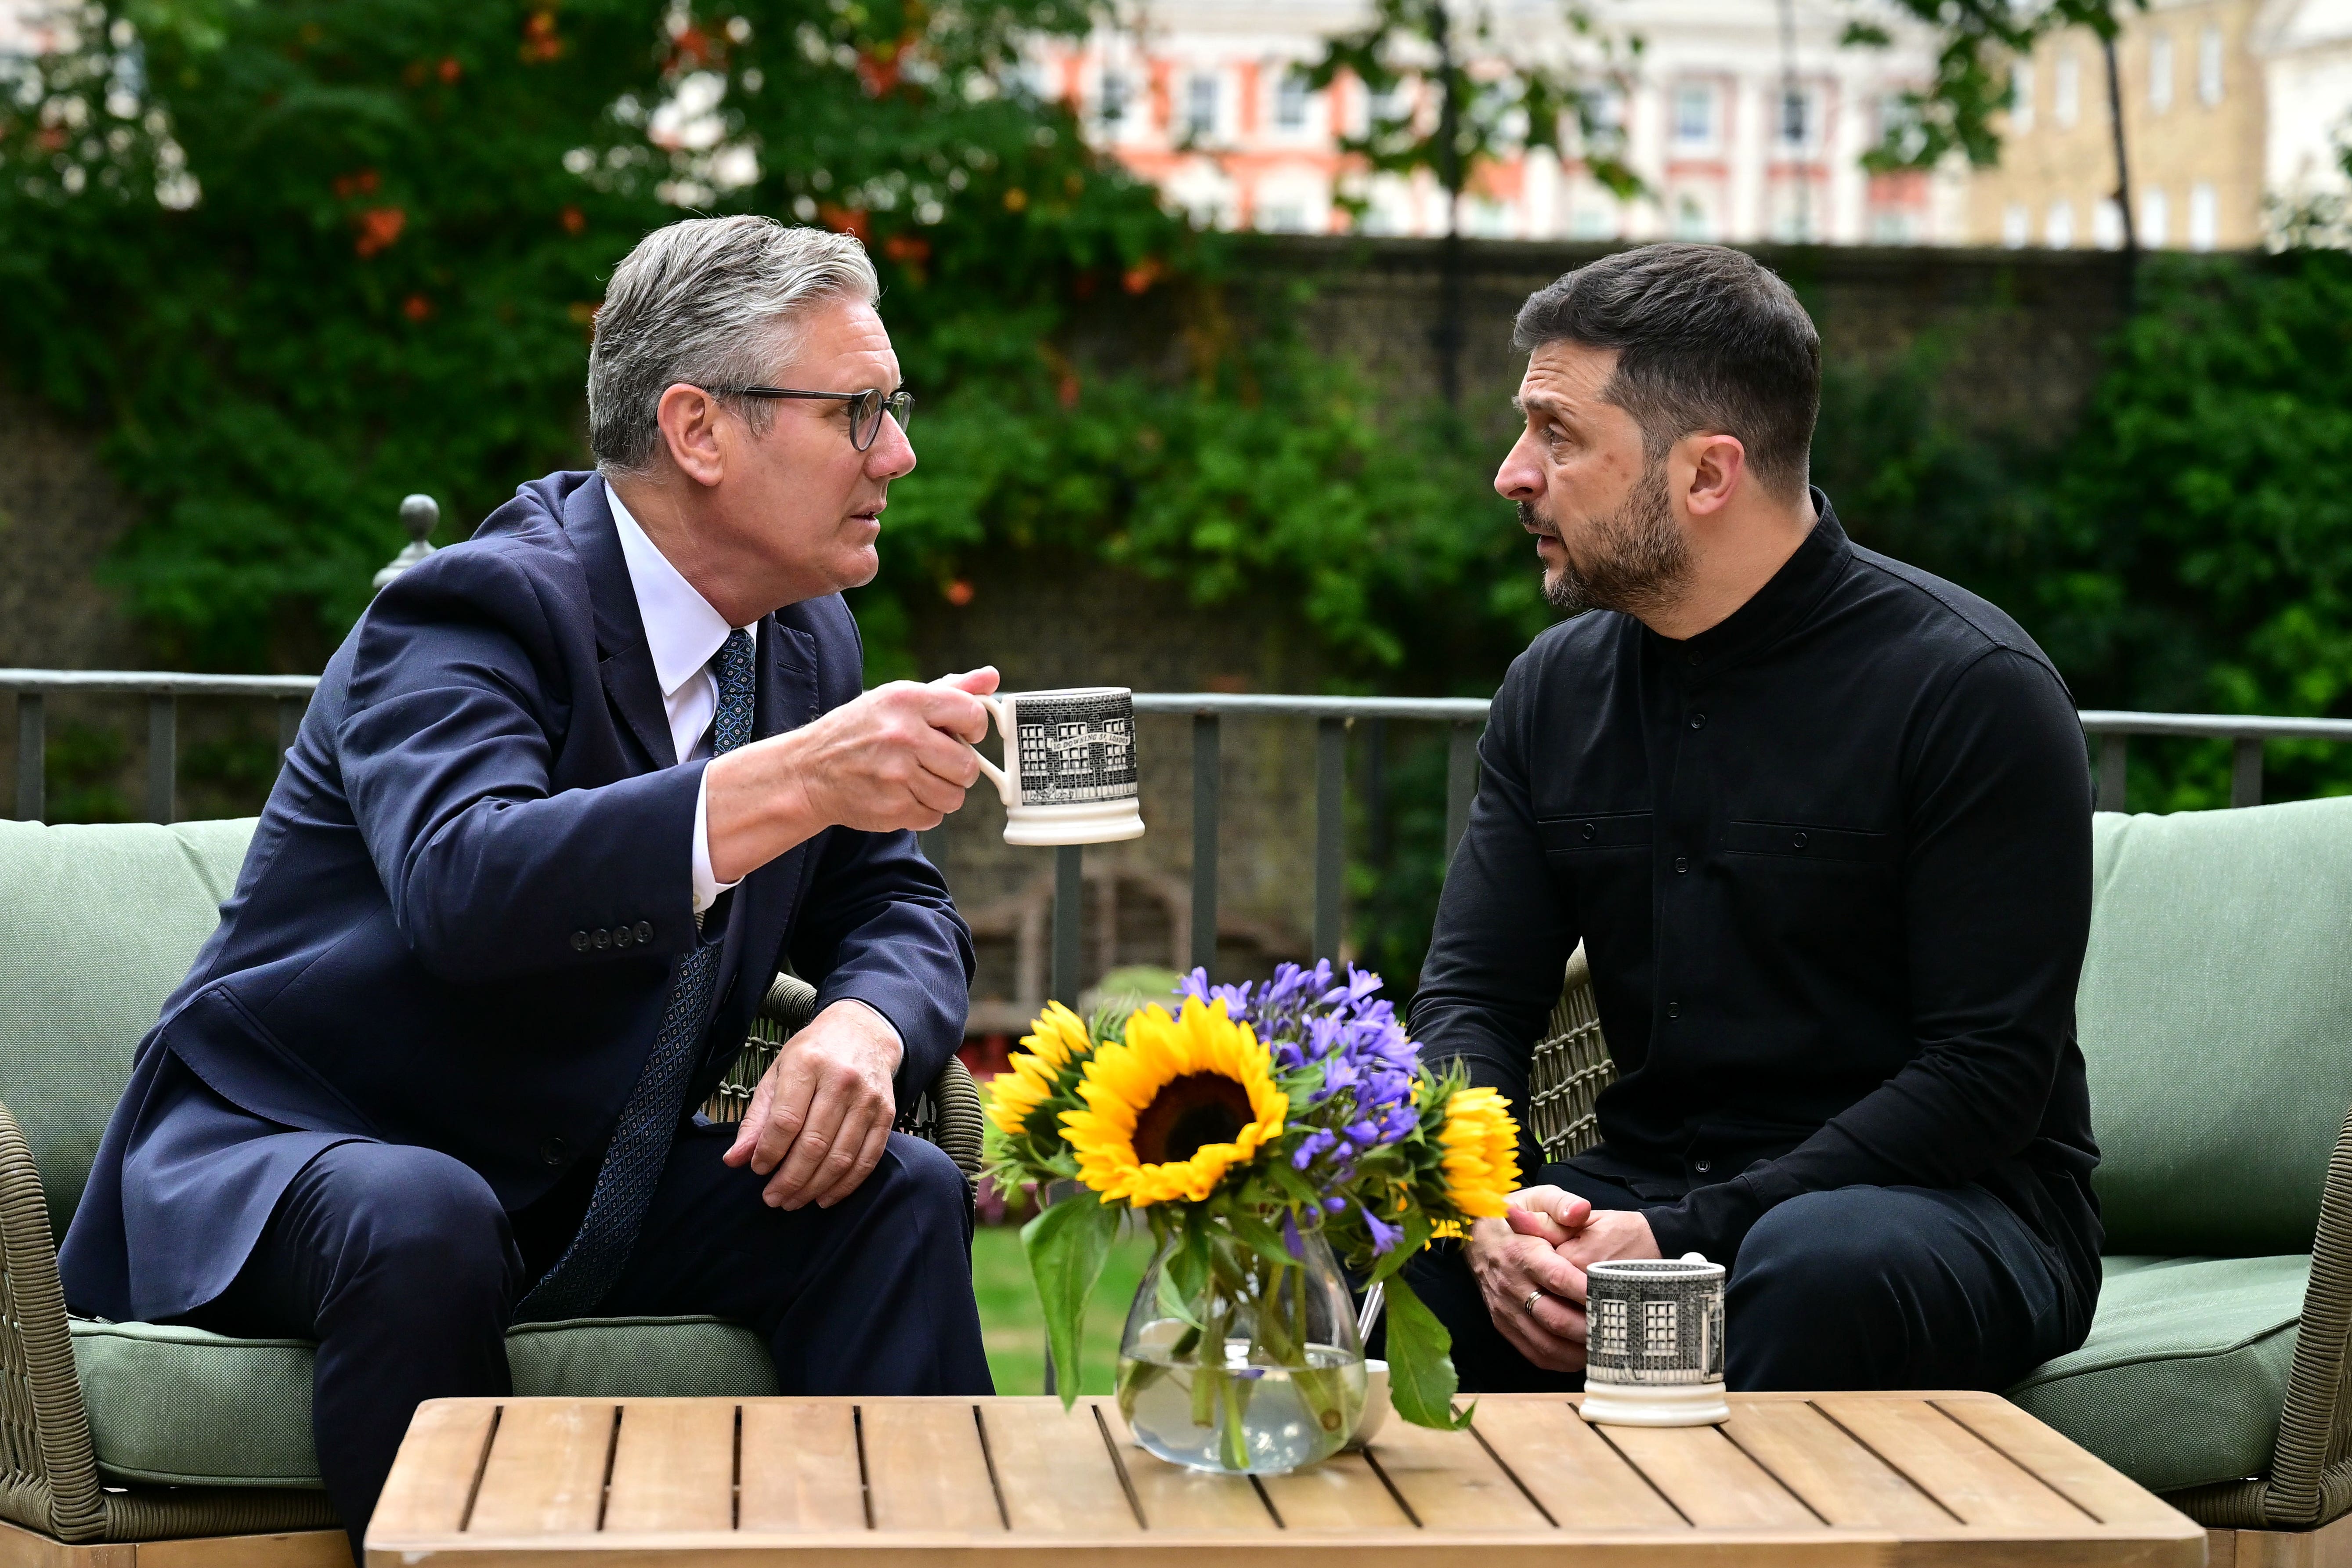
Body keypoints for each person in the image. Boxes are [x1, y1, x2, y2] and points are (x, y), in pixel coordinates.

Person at [60, 217, 997, 1548]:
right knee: (420, 1206)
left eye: (890, 410)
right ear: (699, 429)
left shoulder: (803, 639)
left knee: (892, 1189)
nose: (896, 452)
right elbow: (469, 882)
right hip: (296, 1155)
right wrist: (796, 780)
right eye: (857, 411)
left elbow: (894, 902)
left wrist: (866, 1022)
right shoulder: (468, 612)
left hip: (570, 1180)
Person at [1403, 242, 2100, 1395]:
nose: (1511, 473)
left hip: (1953, 1208)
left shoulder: (1970, 689)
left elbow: (1982, 1077)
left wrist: (1685, 1235)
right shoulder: (1552, 690)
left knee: (1801, 1266)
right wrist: (1481, 1202)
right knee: (1351, 1245)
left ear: (1706, 474)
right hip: (1639, 1182)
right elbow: (1471, 995)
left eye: (1557, 434)